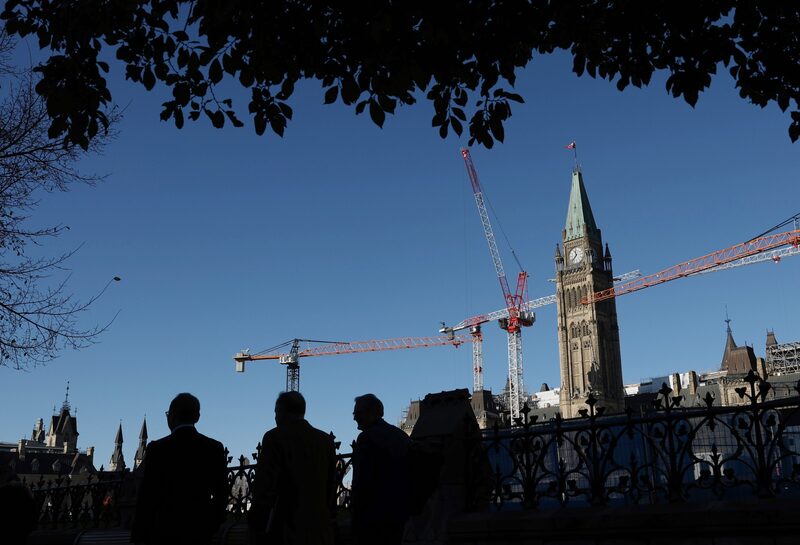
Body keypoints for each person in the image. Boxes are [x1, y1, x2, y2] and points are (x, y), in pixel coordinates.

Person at [131, 393, 228, 545]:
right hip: (199, 531)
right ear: (197, 417)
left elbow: (147, 497)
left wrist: (139, 536)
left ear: (172, 416)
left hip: (164, 531)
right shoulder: (213, 448)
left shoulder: (158, 449)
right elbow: (222, 493)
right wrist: (211, 524)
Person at [249, 391, 337, 545]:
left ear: (282, 411)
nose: (275, 417)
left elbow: (265, 484)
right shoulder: (325, 440)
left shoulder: (274, 437)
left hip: (284, 528)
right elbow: (331, 484)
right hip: (319, 528)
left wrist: (256, 522)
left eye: (276, 412)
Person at [351, 393, 412, 545]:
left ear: (371, 413)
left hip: (374, 516)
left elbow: (362, 482)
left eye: (357, 413)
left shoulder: (367, 438)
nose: (354, 418)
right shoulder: (400, 435)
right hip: (399, 512)